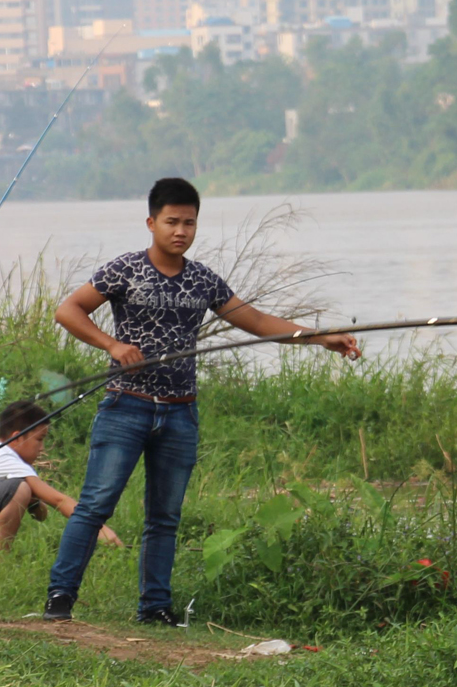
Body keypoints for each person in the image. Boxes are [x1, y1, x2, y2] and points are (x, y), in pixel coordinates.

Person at [46, 176, 360, 626]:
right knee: (97, 504)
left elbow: (254, 319)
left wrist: (320, 337)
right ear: (151, 223)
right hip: (126, 405)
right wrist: (113, 346)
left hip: (180, 412)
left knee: (165, 516)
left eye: (189, 223)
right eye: (171, 222)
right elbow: (68, 310)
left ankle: (154, 608)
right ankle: (60, 598)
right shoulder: (125, 269)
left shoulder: (202, 279)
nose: (180, 231)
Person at [0, 398, 123, 556]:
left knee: (21, 488)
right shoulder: (4, 457)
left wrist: (33, 499)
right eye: (39, 439)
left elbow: (41, 515)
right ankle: (0, 565)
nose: (42, 448)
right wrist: (98, 529)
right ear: (17, 437)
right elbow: (58, 500)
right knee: (20, 488)